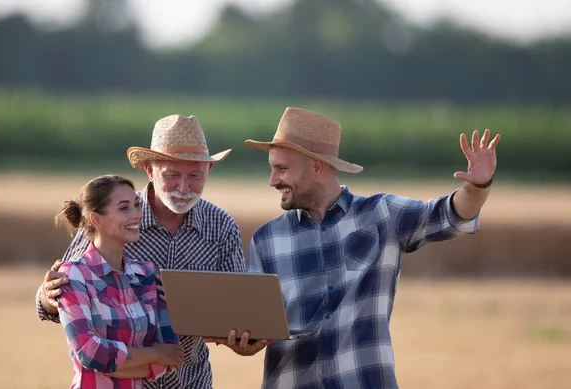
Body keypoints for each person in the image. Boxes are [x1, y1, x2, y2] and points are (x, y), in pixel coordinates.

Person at [206, 107, 501, 389]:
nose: (273, 180)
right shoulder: (265, 240)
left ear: (317, 166)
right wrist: (244, 344)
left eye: (282, 169)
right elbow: (252, 325)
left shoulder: (382, 215)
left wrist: (477, 187)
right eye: (272, 169)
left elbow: (449, 216)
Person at [36, 114, 246, 389]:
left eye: (195, 175)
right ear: (149, 170)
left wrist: (226, 327)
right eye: (172, 175)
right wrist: (47, 297)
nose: (184, 187)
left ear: (208, 171)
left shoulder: (221, 227)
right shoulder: (111, 217)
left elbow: (238, 312)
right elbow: (68, 295)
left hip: (192, 381)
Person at [55, 174, 184, 388]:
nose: (137, 215)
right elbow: (89, 353)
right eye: (124, 208)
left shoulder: (148, 275)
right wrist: (154, 354)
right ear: (97, 219)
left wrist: (109, 364)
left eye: (136, 205)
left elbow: (172, 355)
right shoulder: (74, 276)